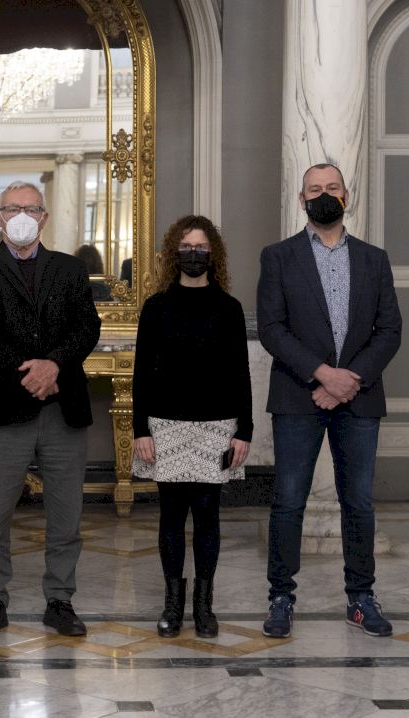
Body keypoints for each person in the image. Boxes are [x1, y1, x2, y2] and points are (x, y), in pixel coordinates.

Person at [257, 163, 402, 639]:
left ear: (346, 196)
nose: (324, 194)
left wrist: (349, 380)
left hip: (359, 397)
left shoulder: (374, 259)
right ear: (301, 200)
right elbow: (272, 328)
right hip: (298, 395)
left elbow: (389, 330)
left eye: (332, 188)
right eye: (314, 189)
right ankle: (281, 597)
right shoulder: (278, 257)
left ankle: (361, 598)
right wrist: (323, 375)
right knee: (289, 501)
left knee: (358, 502)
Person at [0, 181, 101, 638]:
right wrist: (30, 370)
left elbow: (87, 327)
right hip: (5, 407)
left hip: (63, 407)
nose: (22, 216)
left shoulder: (71, 269)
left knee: (66, 514)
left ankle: (60, 599)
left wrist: (53, 364)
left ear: (44, 217)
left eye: (31, 208)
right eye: (12, 208)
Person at [131, 215, 252, 638]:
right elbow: (141, 373)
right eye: (187, 247)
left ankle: (203, 605)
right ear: (174, 253)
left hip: (217, 425)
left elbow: (240, 374)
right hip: (165, 425)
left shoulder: (229, 309)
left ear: (212, 254)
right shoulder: (156, 307)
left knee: (206, 516)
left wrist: (244, 430)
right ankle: (172, 604)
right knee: (170, 516)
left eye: (201, 248)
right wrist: (140, 429)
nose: (194, 254)